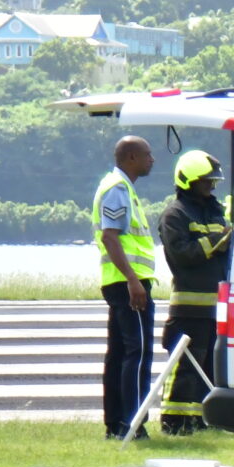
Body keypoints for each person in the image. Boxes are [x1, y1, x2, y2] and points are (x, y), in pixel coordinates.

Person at [155, 149, 233, 437]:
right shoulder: (175, 214)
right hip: (189, 308)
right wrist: (216, 241)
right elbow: (181, 254)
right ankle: (173, 422)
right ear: (188, 180)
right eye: (205, 181)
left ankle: (200, 419)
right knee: (184, 367)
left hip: (216, 308)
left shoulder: (214, 210)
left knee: (210, 368)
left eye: (212, 181)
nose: (211, 186)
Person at [95, 136, 158, 439]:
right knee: (138, 351)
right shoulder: (117, 189)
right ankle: (132, 423)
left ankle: (117, 423)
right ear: (131, 157)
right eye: (147, 154)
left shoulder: (121, 188)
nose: (152, 159)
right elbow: (110, 236)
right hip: (127, 282)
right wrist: (134, 280)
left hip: (121, 281)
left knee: (120, 353)